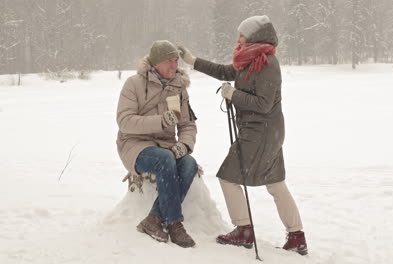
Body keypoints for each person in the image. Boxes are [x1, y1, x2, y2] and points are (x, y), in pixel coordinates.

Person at [178, 15, 308, 255]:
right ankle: (297, 236)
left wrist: (233, 95)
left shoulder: (267, 63)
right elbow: (223, 71)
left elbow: (264, 104)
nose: (238, 38)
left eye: (243, 35)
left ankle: (243, 230)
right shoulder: (250, 60)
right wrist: (192, 60)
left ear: (256, 37)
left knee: (228, 176)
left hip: (262, 132)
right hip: (264, 131)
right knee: (275, 183)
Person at [116, 40, 198, 248]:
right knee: (165, 159)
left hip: (166, 146)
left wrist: (185, 145)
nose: (174, 65)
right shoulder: (134, 84)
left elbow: (187, 124)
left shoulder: (179, 88)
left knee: (189, 164)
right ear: (156, 63)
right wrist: (161, 121)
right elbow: (124, 121)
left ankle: (153, 219)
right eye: (169, 61)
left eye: (176, 61)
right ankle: (174, 224)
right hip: (135, 145)